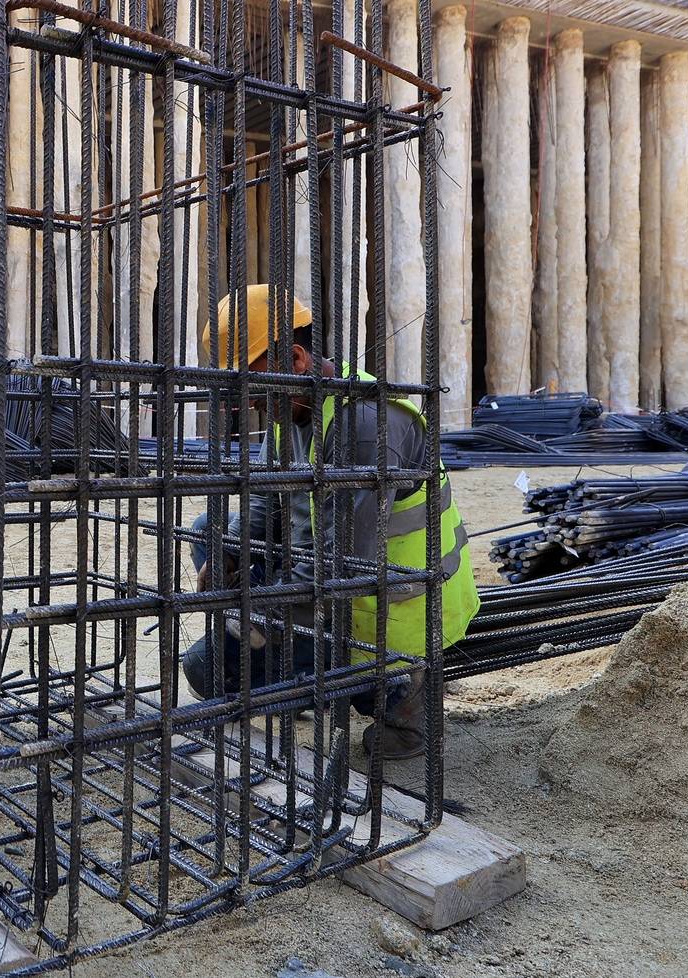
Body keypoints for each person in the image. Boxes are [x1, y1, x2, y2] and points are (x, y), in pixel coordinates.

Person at [183, 284, 479, 758]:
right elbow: (264, 498)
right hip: (319, 577)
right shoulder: (292, 402)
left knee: (211, 670)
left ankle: (403, 696)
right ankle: (298, 668)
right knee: (206, 535)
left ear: (296, 359)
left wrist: (262, 614)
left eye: (252, 386)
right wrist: (232, 554)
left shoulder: (364, 426)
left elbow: (336, 566)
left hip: (386, 607)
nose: (247, 403)